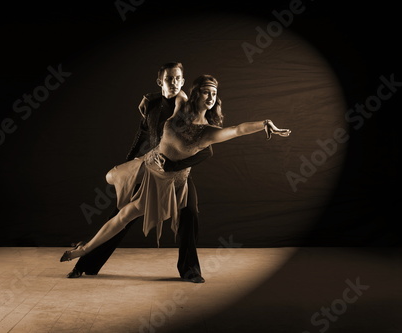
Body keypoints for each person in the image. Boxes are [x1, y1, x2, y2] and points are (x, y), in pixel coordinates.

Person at [60, 74, 291, 277]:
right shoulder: (180, 105)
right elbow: (171, 86)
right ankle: (86, 259)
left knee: (128, 215)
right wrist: (149, 97)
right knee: (110, 178)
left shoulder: (209, 133)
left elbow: (238, 129)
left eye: (214, 94)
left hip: (170, 181)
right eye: (205, 92)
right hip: (147, 165)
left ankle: (83, 250)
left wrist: (264, 124)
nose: (210, 97)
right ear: (195, 94)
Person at [66, 62, 214, 283]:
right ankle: (85, 264)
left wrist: (175, 166)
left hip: (177, 175)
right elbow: (141, 137)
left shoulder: (187, 109)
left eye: (177, 78)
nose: (173, 82)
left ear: (182, 81)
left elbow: (207, 149)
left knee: (189, 214)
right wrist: (129, 170)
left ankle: (190, 270)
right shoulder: (151, 107)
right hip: (149, 170)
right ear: (160, 82)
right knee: (120, 216)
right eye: (168, 79)